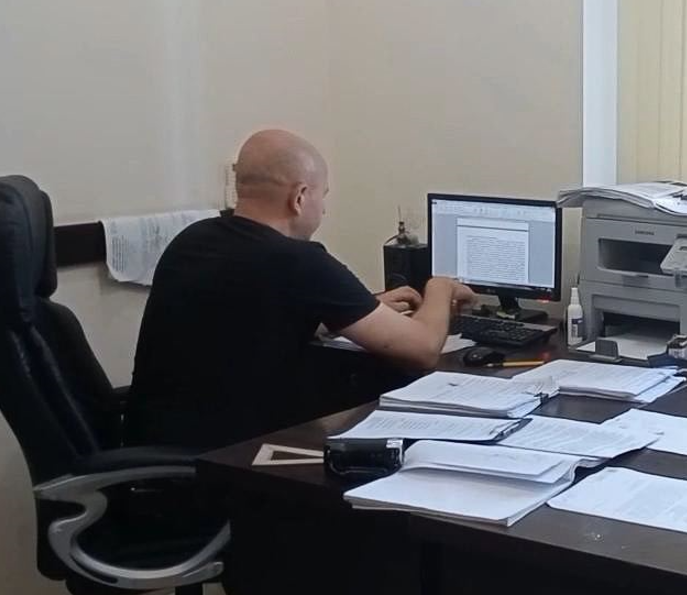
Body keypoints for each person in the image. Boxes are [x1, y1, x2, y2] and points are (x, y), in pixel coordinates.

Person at [126, 129, 474, 448]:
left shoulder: (194, 239)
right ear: (300, 197)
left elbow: (248, 320)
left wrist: (363, 307)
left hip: (160, 439)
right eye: (323, 196)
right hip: (232, 457)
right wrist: (439, 287)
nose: (324, 209)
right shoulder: (297, 260)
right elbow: (423, 349)